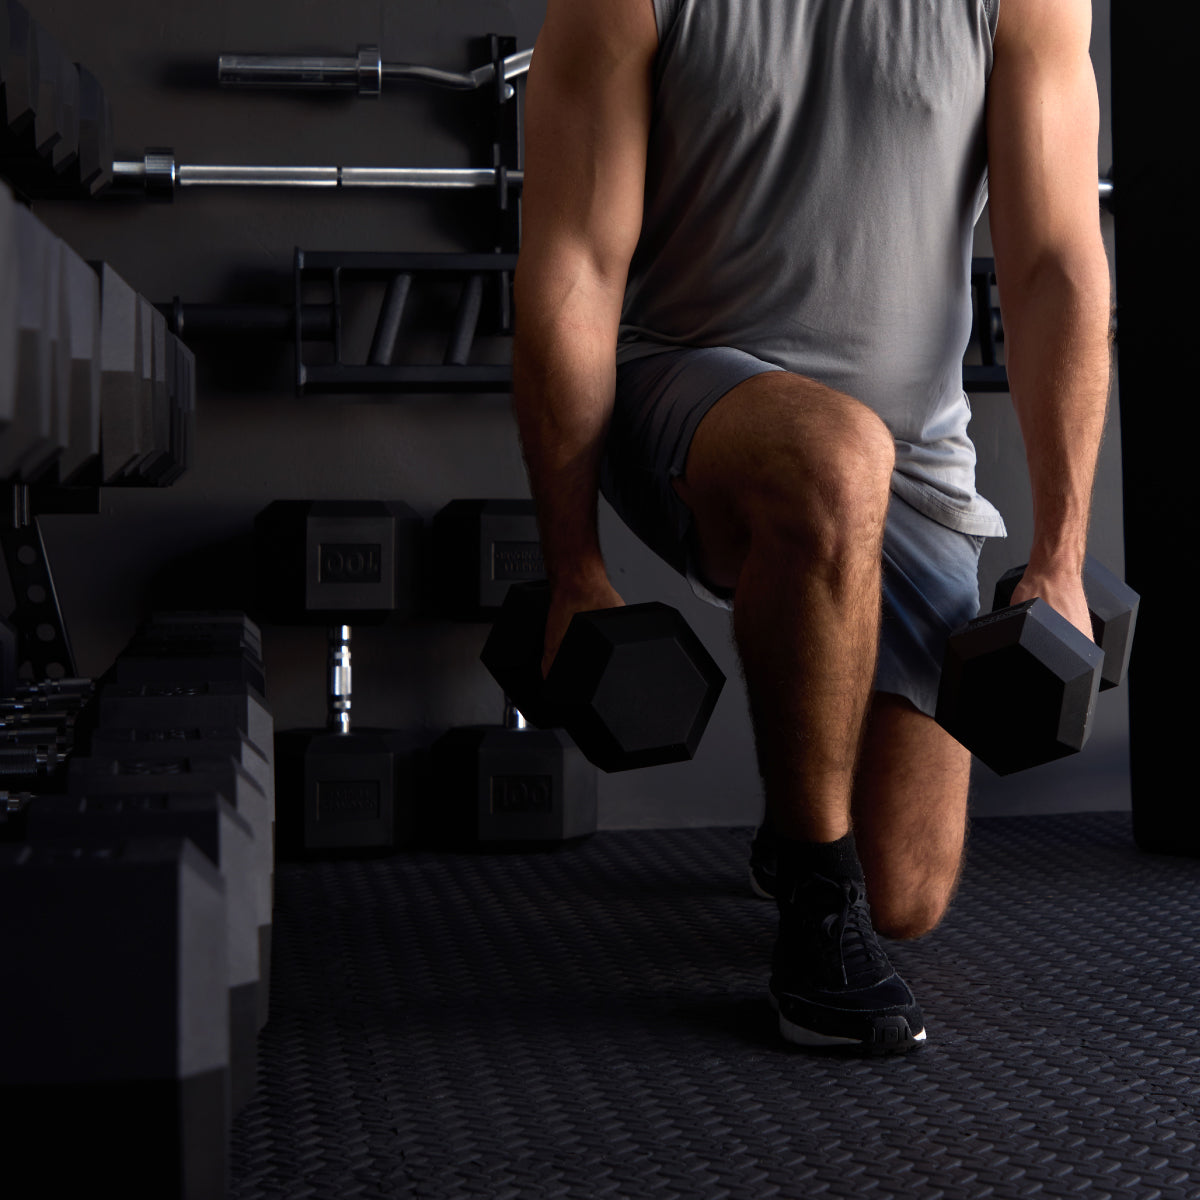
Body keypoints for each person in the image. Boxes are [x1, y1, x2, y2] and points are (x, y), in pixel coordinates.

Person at [510, 0, 1111, 1053]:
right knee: (836, 460)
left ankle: (805, 816)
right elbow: (576, 267)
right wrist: (574, 568)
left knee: (908, 891)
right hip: (682, 390)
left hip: (913, 459)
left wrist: (1061, 558)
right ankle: (814, 902)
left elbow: (1053, 260)